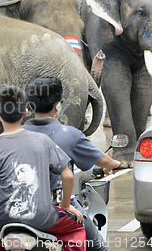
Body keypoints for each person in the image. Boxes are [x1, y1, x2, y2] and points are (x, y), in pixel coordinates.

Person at [0, 86, 85, 251]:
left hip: (1, 220)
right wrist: (65, 205)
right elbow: (67, 176)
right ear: (25, 112)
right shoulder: (42, 140)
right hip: (41, 218)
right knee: (76, 230)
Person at [24, 76, 122, 251]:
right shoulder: (69, 134)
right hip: (57, 211)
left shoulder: (14, 135)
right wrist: (115, 163)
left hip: (18, 209)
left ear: (30, 106)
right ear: (58, 105)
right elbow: (102, 159)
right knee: (99, 248)